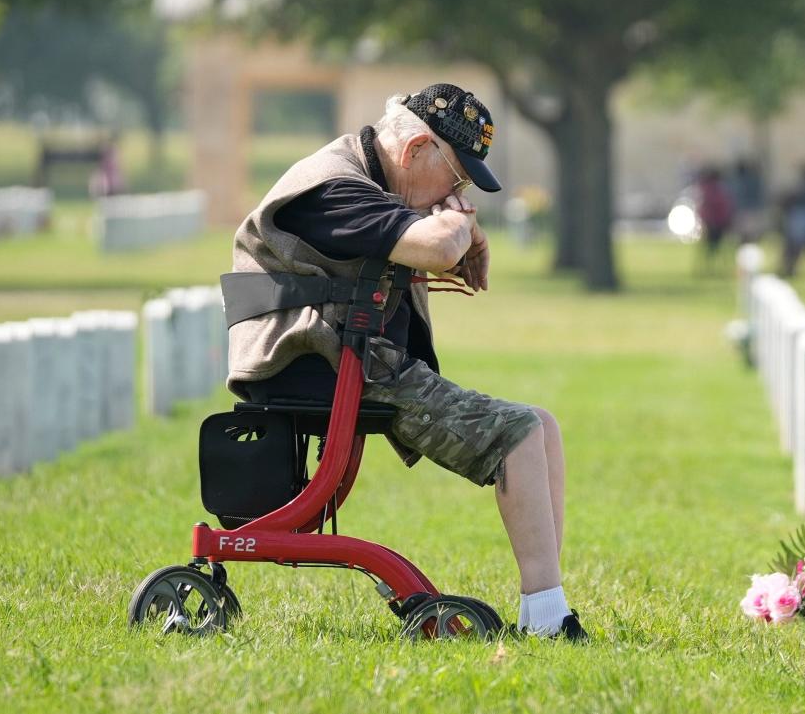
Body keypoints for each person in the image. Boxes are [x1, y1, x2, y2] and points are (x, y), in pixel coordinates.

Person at [224, 83, 585, 640]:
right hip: (321, 365)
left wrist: (453, 221)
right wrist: (460, 222)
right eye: (457, 178)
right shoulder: (335, 189)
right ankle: (546, 621)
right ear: (417, 150)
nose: (458, 192)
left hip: (356, 364)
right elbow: (439, 248)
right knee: (516, 433)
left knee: (542, 427)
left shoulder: (365, 182)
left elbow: (434, 242)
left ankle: (548, 602)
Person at [694, 166, 734, 274]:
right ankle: (712, 268)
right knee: (715, 246)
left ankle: (708, 268)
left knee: (711, 247)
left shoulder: (708, 188)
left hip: (713, 221)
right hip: (716, 221)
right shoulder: (719, 189)